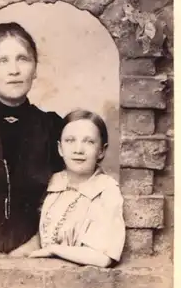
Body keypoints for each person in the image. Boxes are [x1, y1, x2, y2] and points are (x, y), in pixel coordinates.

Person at [0, 22, 63, 258]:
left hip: (33, 248)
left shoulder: (52, 126)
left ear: (35, 68)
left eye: (23, 59)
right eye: (2, 61)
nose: (14, 70)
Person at [30, 109, 125, 267]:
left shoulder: (106, 190)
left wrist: (54, 250)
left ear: (101, 150)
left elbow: (102, 258)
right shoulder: (51, 183)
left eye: (89, 142)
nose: (78, 149)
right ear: (60, 148)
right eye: (70, 140)